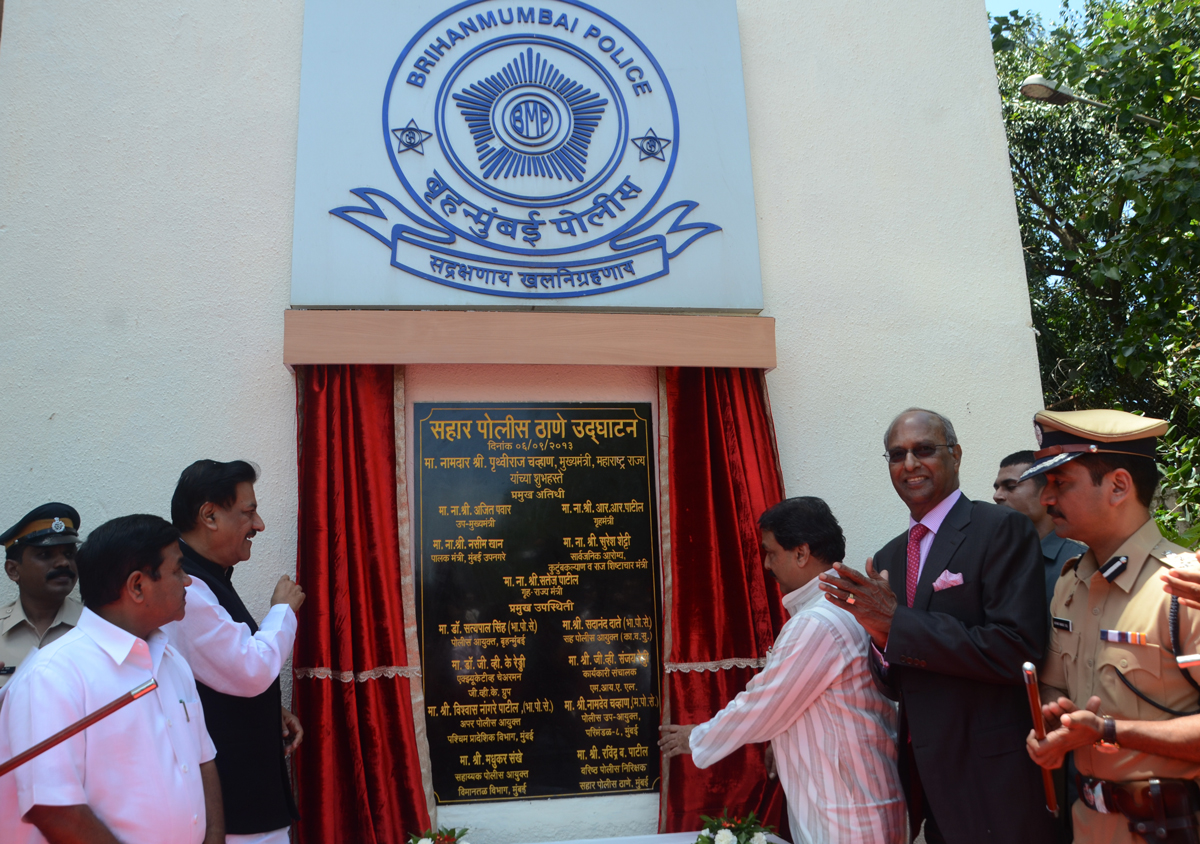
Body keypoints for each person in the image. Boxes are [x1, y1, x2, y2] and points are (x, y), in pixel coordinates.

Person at [818, 407, 1056, 844]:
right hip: (927, 779)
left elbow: (1015, 649)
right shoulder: (890, 556)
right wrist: (879, 634)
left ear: (956, 455)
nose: (909, 464)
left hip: (995, 776)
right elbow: (897, 682)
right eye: (896, 455)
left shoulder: (1000, 529)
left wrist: (896, 621)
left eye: (923, 450)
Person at [659, 497, 905, 844]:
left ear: (801, 553)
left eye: (771, 552)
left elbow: (764, 702)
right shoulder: (841, 603)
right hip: (853, 802)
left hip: (848, 814)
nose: (766, 564)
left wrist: (696, 738)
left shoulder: (819, 620)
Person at [1024, 409, 1200, 843]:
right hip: (1091, 824)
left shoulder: (1183, 587)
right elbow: (1055, 686)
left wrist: (1108, 731)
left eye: (1060, 483)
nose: (1046, 498)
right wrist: (1057, 721)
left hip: (1173, 827)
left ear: (1119, 486)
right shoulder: (1071, 583)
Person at [0, 514, 223, 844]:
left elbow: (203, 762)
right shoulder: (53, 676)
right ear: (137, 586)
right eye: (178, 570)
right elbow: (54, 809)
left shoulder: (171, 660)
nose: (188, 581)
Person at [164, 459, 303, 844]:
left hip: (244, 800)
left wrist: (266, 709)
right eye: (249, 512)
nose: (258, 526)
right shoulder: (188, 587)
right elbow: (250, 669)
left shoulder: (208, 576)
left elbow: (211, 672)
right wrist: (283, 611)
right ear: (209, 515)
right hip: (232, 811)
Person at [0, 504, 85, 687]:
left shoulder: (97, 627)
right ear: (13, 570)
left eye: (69, 554)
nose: (63, 562)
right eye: (45, 554)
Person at [994, 450, 1088, 602]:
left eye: (1010, 486)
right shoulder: (995, 557)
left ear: (1047, 491)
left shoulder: (1080, 564)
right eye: (996, 488)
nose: (997, 496)